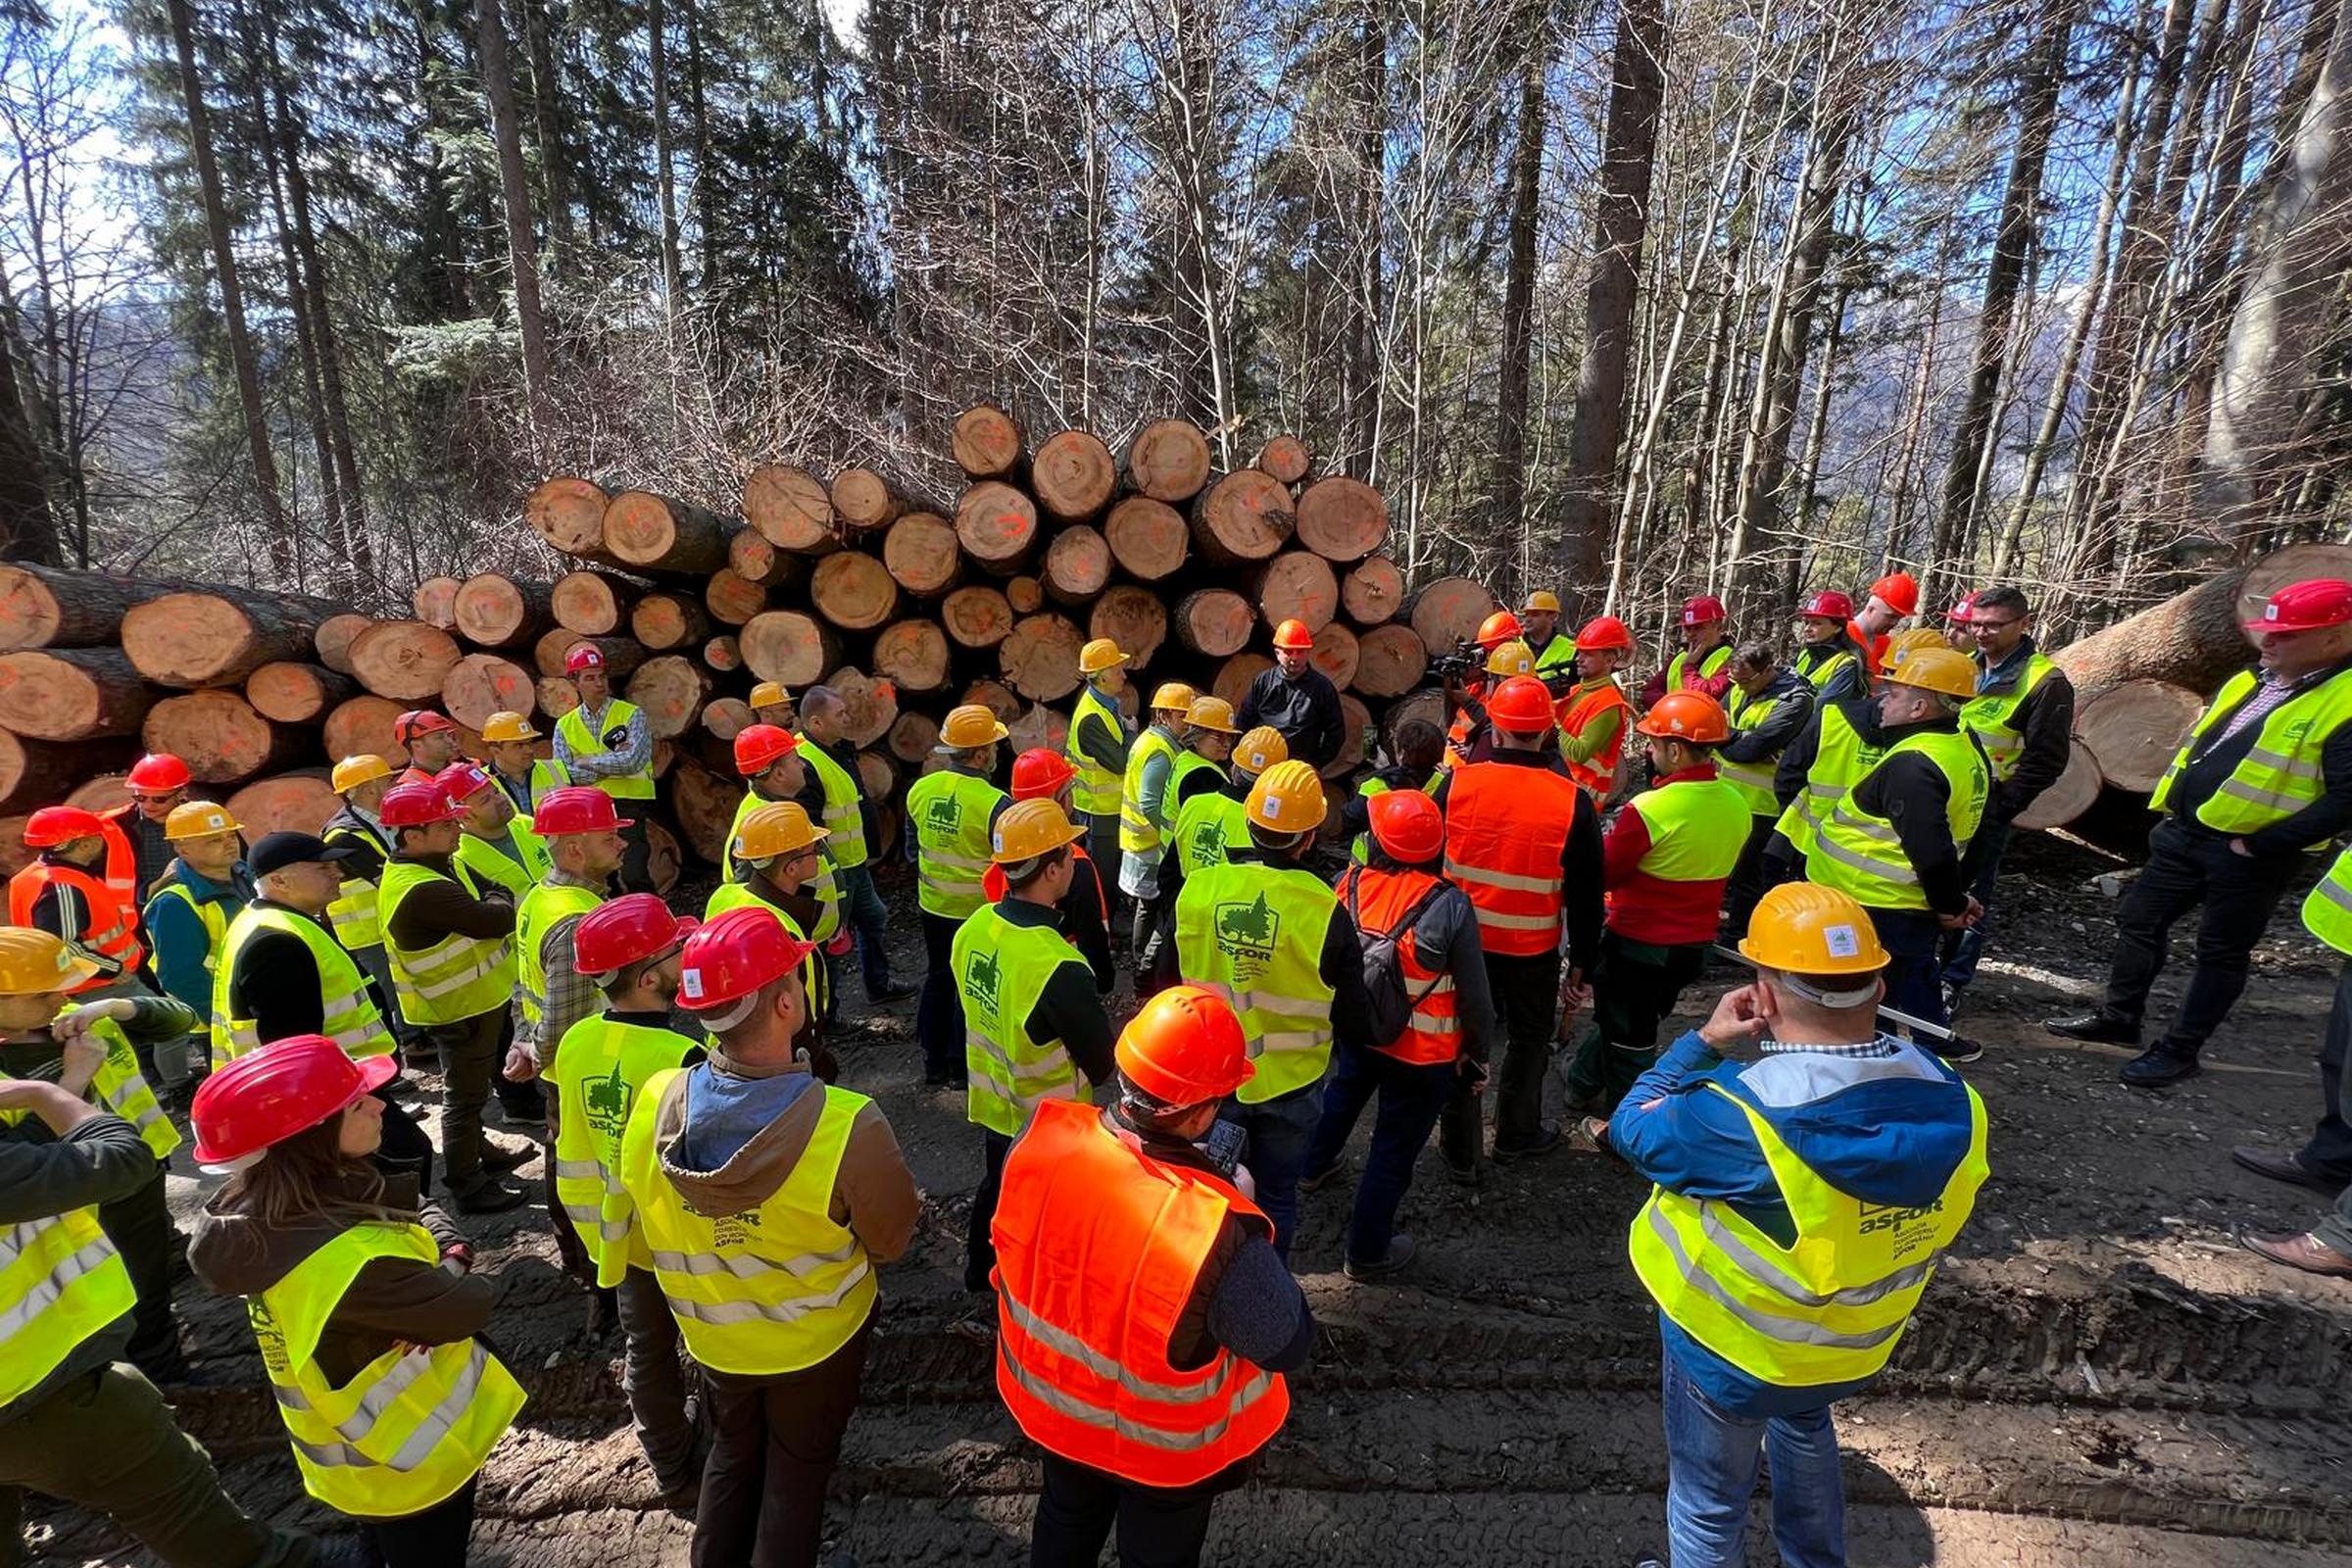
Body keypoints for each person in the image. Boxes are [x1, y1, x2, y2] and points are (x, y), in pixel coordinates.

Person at [1610, 881, 1987, 1568]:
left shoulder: (1742, 1114)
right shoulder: (1958, 1100)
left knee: (1707, 1501)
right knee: (1806, 1424)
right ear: (1878, 986)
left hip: (1733, 1351)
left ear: (1767, 993)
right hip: (1850, 1347)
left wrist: (1703, 1044)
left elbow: (1633, 1129)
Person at [619, 906, 920, 1568]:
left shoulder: (654, 1102)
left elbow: (638, 1211)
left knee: (733, 1450)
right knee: (797, 1472)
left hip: (715, 1341)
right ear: (787, 1003)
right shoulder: (847, 1125)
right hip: (818, 1344)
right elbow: (893, 1240)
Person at [990, 986, 1313, 1568]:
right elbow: (1287, 1340)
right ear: (1199, 1113)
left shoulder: (1037, 1140)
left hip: (1057, 1417)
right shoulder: (1216, 1229)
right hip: (1164, 1462)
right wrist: (1237, 1201)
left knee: (1066, 1518)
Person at [190, 1035, 522, 1566]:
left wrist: (436, 1250)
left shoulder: (271, 1211)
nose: (380, 1104)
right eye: (354, 1103)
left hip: (354, 1461)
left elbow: (408, 1204)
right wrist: (452, 1261)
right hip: (411, 1466)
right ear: (310, 1136)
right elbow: (467, 1304)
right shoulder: (351, 1263)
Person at [0, 1045, 311, 1568]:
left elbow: (24, 1163)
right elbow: (121, 1158)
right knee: (196, 1518)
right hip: (46, 1391)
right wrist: (51, 1091)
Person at [2049, 578, 2352, 1085]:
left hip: (2251, 855)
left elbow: (2346, 799)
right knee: (2139, 918)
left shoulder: (2343, 703)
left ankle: (2182, 1049)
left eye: (2285, 634)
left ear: (2334, 637)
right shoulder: (2249, 681)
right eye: (2266, 632)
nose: (2268, 642)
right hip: (2185, 835)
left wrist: (2261, 843)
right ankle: (2119, 1019)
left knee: (2220, 951)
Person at [1172, 760, 1374, 1259]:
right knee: (1277, 1196)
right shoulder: (1322, 907)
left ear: (1251, 821)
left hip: (1213, 1079)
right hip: (1291, 1084)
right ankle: (1268, 1292)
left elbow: (1168, 984)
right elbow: (1352, 1012)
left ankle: (1203, 1281)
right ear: (1307, 839)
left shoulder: (1199, 889)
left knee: (1210, 1192)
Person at [1301, 790, 1497, 1279]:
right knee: (1391, 1149)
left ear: (1377, 841)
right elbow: (1476, 998)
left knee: (1342, 1096)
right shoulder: (1450, 905)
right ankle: (1367, 1253)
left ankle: (1311, 1166)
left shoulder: (1345, 883)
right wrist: (1477, 1055)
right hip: (1422, 1056)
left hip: (1358, 1031)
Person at [547, 895, 704, 1499]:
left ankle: (669, 1462)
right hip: (676, 1240)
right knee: (710, 1347)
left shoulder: (577, 1041)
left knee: (647, 1350)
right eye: (675, 950)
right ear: (647, 977)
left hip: (616, 1237)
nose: (686, 953)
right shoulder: (680, 1059)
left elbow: (570, 1130)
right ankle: (716, 1459)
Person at [0, 927, 193, 1385]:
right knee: (108, 1297)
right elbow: (19, 1158)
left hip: (138, 1178)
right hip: (69, 1207)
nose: (58, 1001)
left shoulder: (79, 1021)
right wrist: (70, 1085)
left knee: (151, 1288)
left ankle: (171, 1376)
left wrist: (112, 1005)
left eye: (62, 990)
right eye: (42, 995)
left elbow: (178, 1020)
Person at [1432, 675, 1605, 1171]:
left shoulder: (1459, 781)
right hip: (1532, 947)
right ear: (1547, 733)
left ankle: (1459, 1147)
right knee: (1529, 1042)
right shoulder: (1571, 800)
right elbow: (1588, 895)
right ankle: (1516, 1133)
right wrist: (1583, 965)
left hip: (1461, 944)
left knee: (1463, 1037)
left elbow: (1427, 855)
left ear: (1497, 730)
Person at [1783, 646, 1987, 1054]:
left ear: (1918, 707)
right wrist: (1955, 898)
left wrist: (1949, 903)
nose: (1882, 701)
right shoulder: (1962, 747)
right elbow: (1977, 832)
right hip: (1897, 906)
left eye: (1893, 694)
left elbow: (1931, 848)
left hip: (1875, 906)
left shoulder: (1914, 763)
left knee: (1870, 1010)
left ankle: (1875, 1077)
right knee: (1894, 995)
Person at [212, 830, 437, 1197]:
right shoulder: (276, 941)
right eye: (322, 867)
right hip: (326, 1101)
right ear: (279, 880)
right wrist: (331, 1114)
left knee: (400, 1160)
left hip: (342, 1089)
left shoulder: (278, 923)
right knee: (400, 1162)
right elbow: (291, 1047)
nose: (338, 873)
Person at [1563, 693, 1750, 1125]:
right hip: (1694, 946)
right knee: (1630, 1017)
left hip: (1640, 944)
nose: (1647, 750)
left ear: (1675, 750)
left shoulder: (1651, 808)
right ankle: (1581, 1081)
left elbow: (1603, 875)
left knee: (1633, 1036)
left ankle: (1629, 1126)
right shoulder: (1736, 802)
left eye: (1652, 742)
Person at [955, 799, 1116, 1292]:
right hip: (1052, 1124)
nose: (1075, 861)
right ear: (1052, 869)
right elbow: (1103, 1065)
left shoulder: (973, 929)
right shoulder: (1058, 966)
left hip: (996, 1105)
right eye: (1069, 854)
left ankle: (980, 1275)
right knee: (1051, 1216)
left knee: (996, 1188)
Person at [376, 781, 537, 1211]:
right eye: (445, 823)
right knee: (463, 1099)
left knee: (473, 1092)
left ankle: (480, 1155)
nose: (457, 828)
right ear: (413, 836)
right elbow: (498, 915)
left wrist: (495, 900)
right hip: (459, 1008)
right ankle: (467, 1185)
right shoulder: (421, 887)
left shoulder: (443, 863)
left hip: (481, 998)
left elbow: (494, 899)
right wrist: (498, 901)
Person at [1939, 584, 2075, 1010]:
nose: (1982, 633)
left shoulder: (2045, 682)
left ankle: (1951, 981)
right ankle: (1920, 972)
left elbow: (2046, 760)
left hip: (1988, 809)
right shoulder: (1963, 668)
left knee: (1972, 897)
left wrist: (2001, 807)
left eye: (1995, 626)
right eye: (1976, 624)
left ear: (2023, 624)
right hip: (1941, 800)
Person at [908, 705, 1013, 1088]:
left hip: (932, 906)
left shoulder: (921, 790)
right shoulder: (995, 802)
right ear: (981, 754)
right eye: (994, 746)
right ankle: (958, 1066)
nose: (998, 753)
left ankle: (931, 1059)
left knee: (938, 977)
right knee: (969, 988)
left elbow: (911, 847)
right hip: (978, 913)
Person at [795, 684, 909, 1004]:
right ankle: (827, 1012)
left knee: (873, 917)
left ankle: (878, 984)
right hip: (832, 873)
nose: (848, 718)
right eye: (840, 714)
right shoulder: (806, 763)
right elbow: (809, 824)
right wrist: (821, 871)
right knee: (831, 939)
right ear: (816, 723)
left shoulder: (838, 749)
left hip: (854, 865)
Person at [706, 802, 838, 1075]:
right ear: (792, 868)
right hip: (776, 1063)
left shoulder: (726, 896)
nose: (820, 856)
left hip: (726, 1049)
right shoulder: (779, 933)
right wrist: (816, 1062)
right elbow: (787, 1013)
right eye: (815, 849)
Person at [142, 800, 252, 1105]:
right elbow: (180, 976)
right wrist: (223, 1019)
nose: (228, 845)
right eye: (214, 840)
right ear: (183, 849)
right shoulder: (175, 901)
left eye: (230, 836)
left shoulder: (242, 873)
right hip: (223, 1021)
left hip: (252, 1006)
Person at [983, 751, 1116, 992]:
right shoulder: (1072, 862)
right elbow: (1091, 932)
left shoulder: (1010, 849)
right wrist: (1102, 979)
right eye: (1069, 789)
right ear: (1060, 799)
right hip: (1067, 981)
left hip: (1017, 970)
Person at [1717, 645, 1815, 938]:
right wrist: (1737, 739)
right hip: (1724, 794)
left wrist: (1728, 736)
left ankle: (1740, 936)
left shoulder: (1795, 700)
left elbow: (1752, 748)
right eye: (1736, 681)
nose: (1741, 688)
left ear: (1768, 670)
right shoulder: (1736, 689)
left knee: (1750, 875)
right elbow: (1712, 726)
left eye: (1747, 681)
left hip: (1763, 803)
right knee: (1725, 870)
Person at [320, 754, 413, 1061]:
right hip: (367, 930)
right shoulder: (342, 836)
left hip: (390, 920)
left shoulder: (384, 820)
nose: (393, 784)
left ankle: (412, 1034)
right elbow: (387, 875)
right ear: (370, 788)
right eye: (387, 780)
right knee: (389, 989)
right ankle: (407, 1041)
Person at [553, 643, 658, 893]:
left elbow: (633, 761)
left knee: (634, 872)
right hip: (589, 809)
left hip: (629, 802)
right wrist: (613, 763)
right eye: (590, 678)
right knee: (601, 877)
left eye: (602, 676)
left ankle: (653, 917)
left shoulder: (632, 714)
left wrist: (588, 761)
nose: (599, 683)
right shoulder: (564, 725)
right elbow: (565, 772)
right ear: (575, 683)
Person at [10, 806, 146, 999]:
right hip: (98, 987)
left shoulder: (34, 875)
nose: (104, 839)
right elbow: (62, 946)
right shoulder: (62, 887)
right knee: (169, 1026)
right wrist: (113, 969)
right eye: (99, 835)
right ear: (85, 845)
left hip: (97, 983)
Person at [1116, 682, 1195, 958]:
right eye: (1182, 715)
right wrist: (1170, 834)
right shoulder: (1160, 750)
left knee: (1147, 903)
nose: (1188, 722)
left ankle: (1142, 958)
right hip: (1148, 842)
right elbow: (1149, 802)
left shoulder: (1153, 741)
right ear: (1163, 715)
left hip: (1142, 838)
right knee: (1149, 904)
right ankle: (1142, 959)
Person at [1165, 726, 1287, 888]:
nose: (1225, 743)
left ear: (1235, 767)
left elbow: (1169, 869)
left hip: (1186, 902)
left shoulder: (1193, 805)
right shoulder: (1262, 830)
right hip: (1225, 908)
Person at [1237, 618, 1346, 771]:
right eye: (1288, 651)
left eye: (1300, 651)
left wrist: (1316, 764)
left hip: (1297, 769)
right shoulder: (1263, 682)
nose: (1294, 658)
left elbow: (1336, 733)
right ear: (1277, 652)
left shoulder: (1322, 688)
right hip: (1260, 766)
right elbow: (1244, 721)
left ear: (1308, 652)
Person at [1066, 638, 1134, 882]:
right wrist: (1131, 732)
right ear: (1103, 677)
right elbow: (1120, 762)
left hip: (1107, 811)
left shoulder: (1102, 707)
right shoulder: (1091, 718)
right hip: (1099, 814)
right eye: (1118, 670)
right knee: (1102, 879)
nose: (1124, 676)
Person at [1341, 717, 1445, 864]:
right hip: (1423, 866)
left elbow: (1349, 818)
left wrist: (1386, 771)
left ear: (1401, 753)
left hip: (1373, 866)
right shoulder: (1443, 784)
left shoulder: (1377, 786)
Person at [442, 760, 550, 899]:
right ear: (466, 817)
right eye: (486, 800)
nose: (500, 800)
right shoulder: (462, 860)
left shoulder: (527, 824)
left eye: (496, 792)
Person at [1557, 614, 1637, 800]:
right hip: (1564, 786)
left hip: (1583, 796)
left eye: (1588, 654)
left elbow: (1579, 753)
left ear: (1609, 660)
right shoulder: (1579, 690)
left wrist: (1552, 722)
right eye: (1580, 652)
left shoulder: (1609, 704)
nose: (1579, 659)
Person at [726, 722, 808, 885]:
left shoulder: (766, 805)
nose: (803, 765)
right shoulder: (763, 823)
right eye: (796, 760)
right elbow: (747, 885)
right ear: (779, 774)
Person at [115, 752, 192, 906]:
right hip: (140, 910)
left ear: (182, 793)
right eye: (140, 798)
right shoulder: (120, 825)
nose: (148, 805)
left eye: (159, 799)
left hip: (196, 905)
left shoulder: (203, 819)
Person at [1645, 596, 1734, 707]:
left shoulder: (1731, 659)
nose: (1691, 634)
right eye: (1687, 628)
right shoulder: (1680, 657)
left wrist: (1688, 666)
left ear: (1718, 627)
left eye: (1698, 628)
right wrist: (1670, 707)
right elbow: (1649, 692)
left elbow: (1704, 697)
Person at [480, 710, 567, 813]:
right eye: (519, 745)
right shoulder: (480, 782)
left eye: (529, 743)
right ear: (495, 750)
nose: (529, 750)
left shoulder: (557, 769)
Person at [1790, 591, 1865, 701]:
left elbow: (1826, 706)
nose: (1807, 629)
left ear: (1837, 628)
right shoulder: (1805, 653)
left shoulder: (1847, 665)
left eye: (1817, 623)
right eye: (1807, 623)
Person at [1847, 570, 1918, 675]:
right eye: (1890, 616)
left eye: (1899, 618)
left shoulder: (1887, 644)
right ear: (1871, 609)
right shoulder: (1843, 634)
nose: (1894, 623)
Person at [392, 709, 463, 786]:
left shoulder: (466, 768)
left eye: (449, 735)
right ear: (416, 745)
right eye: (439, 737)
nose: (449, 741)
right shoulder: (411, 787)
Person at [1523, 589, 1578, 679]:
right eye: (1526, 614)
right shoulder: (1515, 646)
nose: (1527, 619)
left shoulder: (1571, 649)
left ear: (1552, 617)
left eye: (1535, 614)